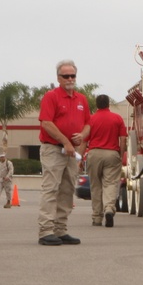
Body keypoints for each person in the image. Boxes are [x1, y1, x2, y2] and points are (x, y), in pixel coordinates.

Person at [36, 60, 91, 246]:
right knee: (51, 189)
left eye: (72, 76)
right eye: (65, 76)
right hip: (53, 149)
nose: (69, 79)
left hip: (71, 152)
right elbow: (46, 122)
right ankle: (46, 231)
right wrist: (66, 141)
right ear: (58, 78)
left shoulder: (81, 99)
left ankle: (60, 229)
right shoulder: (51, 97)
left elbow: (88, 124)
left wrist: (81, 136)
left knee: (67, 190)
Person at [86, 94, 128, 228]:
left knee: (96, 185)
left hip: (93, 153)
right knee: (110, 184)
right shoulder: (117, 118)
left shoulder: (90, 119)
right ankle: (109, 208)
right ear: (108, 104)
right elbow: (123, 139)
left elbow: (84, 139)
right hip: (112, 153)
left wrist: (81, 157)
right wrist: (120, 155)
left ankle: (97, 217)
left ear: (97, 104)